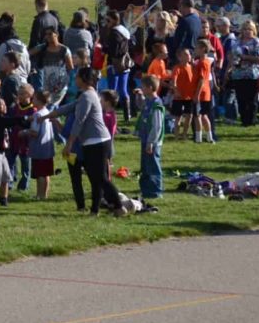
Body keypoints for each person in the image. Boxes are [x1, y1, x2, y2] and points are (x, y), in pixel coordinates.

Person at [64, 67, 121, 216]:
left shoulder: (87, 96)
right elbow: (68, 108)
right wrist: (46, 116)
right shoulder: (86, 95)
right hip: (92, 142)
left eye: (77, 77)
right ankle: (94, 210)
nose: (75, 79)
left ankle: (118, 206)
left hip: (98, 142)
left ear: (83, 79)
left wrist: (69, 143)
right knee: (95, 178)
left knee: (100, 178)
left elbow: (79, 121)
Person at [135, 73, 165, 211]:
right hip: (145, 139)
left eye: (143, 87)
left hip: (152, 142)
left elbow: (157, 126)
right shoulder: (148, 102)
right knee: (145, 165)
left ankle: (155, 190)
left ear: (150, 88)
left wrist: (151, 142)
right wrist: (139, 96)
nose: (142, 88)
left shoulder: (157, 105)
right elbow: (141, 107)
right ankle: (146, 189)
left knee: (153, 165)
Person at [229, 20, 259, 126]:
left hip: (252, 74)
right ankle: (244, 119)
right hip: (238, 73)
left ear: (254, 30)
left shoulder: (257, 42)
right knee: (240, 98)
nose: (247, 31)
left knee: (251, 99)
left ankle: (251, 120)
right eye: (245, 29)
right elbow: (232, 54)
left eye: (249, 29)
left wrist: (247, 57)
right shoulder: (237, 41)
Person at [27, 90, 59, 200]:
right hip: (48, 149)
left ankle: (39, 195)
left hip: (39, 149)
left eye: (34, 98)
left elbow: (35, 133)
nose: (32, 100)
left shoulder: (37, 115)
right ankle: (44, 195)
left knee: (39, 174)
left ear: (39, 101)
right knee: (46, 173)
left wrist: (25, 132)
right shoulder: (47, 112)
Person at [100, 11, 132, 116]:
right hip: (125, 64)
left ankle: (110, 113)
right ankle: (128, 114)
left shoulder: (114, 33)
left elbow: (114, 50)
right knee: (123, 90)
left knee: (111, 91)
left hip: (114, 64)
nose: (107, 22)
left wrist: (104, 49)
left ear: (114, 20)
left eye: (108, 20)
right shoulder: (124, 30)